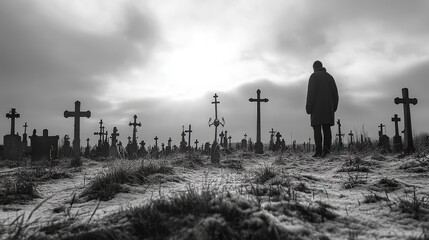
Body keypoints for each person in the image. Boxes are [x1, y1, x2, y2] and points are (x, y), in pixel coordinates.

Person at [306, 60, 339, 157]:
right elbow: (335, 94)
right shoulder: (330, 77)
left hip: (316, 108)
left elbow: (311, 93)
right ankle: (327, 151)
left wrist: (309, 107)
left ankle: (318, 151)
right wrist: (334, 107)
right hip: (328, 108)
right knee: (327, 129)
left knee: (317, 129)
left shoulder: (314, 76)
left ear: (314, 68)